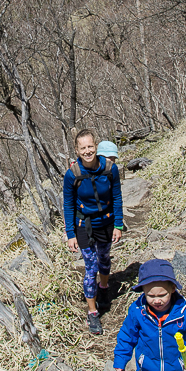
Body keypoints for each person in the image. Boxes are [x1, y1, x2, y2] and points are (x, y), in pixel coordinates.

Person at [63, 129, 124, 336]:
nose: (87, 151)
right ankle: (93, 312)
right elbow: (68, 205)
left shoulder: (110, 168)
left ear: (96, 146)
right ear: (77, 151)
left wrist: (118, 225)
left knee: (104, 258)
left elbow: (116, 196)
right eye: (83, 148)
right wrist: (70, 233)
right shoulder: (73, 174)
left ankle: (104, 289)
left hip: (106, 222)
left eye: (90, 146)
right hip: (84, 226)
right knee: (91, 266)